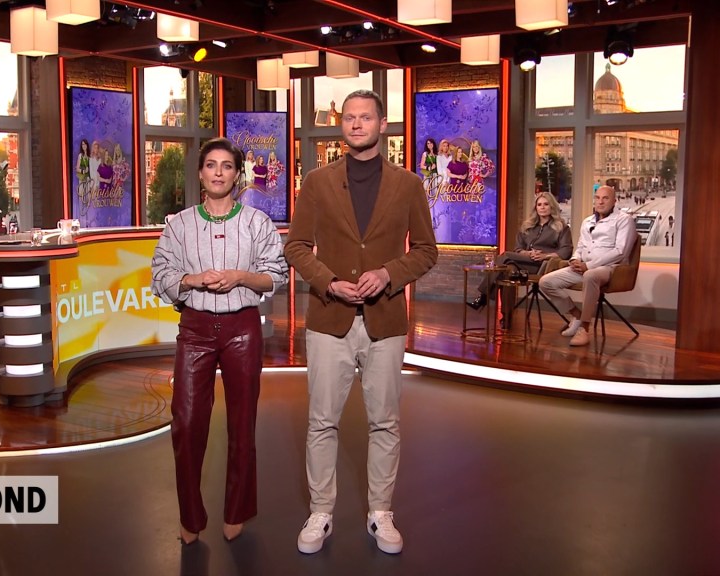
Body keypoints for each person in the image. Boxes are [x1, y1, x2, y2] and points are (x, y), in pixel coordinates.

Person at [285, 90, 437, 556]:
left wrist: (389, 274)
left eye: (365, 117)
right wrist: (329, 282)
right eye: (349, 117)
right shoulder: (317, 182)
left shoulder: (408, 184)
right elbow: (296, 247)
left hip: (384, 320)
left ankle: (381, 512)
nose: (356, 124)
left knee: (385, 423)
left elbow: (426, 251)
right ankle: (320, 512)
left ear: (382, 124)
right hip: (329, 318)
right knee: (321, 422)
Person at [151, 137, 289, 546]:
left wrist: (240, 277)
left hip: (242, 329)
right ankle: (190, 515)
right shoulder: (178, 225)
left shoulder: (257, 223)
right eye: (211, 165)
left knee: (242, 423)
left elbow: (276, 273)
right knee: (187, 421)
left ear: (237, 174)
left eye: (227, 166)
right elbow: (159, 274)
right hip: (194, 329)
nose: (218, 172)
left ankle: (237, 510)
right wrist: (191, 280)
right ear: (200, 173)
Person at [539, 185, 637, 347]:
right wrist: (575, 260)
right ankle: (576, 315)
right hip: (583, 267)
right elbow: (580, 247)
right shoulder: (587, 221)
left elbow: (620, 252)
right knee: (546, 282)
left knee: (590, 275)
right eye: (597, 198)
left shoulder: (624, 220)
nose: (600, 202)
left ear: (614, 201)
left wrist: (589, 266)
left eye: (605, 198)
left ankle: (584, 329)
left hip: (610, 268)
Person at [468, 191, 573, 310]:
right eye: (539, 205)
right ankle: (507, 317)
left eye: (546, 204)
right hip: (525, 262)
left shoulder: (561, 227)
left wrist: (545, 256)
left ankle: (483, 296)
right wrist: (527, 253)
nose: (542, 207)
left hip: (544, 265)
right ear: (535, 208)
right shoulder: (527, 226)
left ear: (552, 206)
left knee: (506, 255)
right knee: (508, 271)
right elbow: (518, 249)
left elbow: (566, 251)